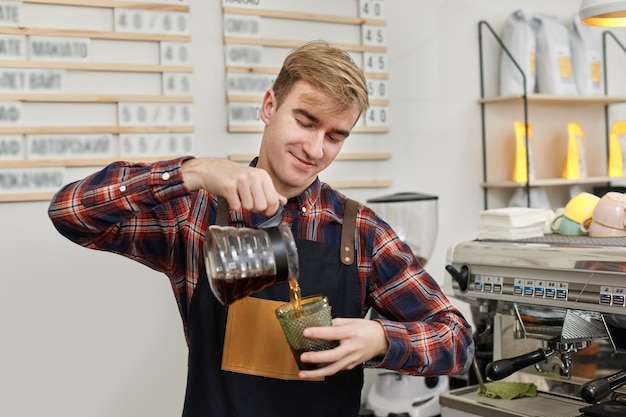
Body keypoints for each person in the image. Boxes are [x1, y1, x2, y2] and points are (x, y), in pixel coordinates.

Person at [48, 40, 474, 417]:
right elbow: (71, 212)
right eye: (305, 121)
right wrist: (192, 172)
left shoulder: (360, 232)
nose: (314, 148)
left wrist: (381, 338)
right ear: (269, 106)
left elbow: (458, 340)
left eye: (335, 136)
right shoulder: (194, 212)